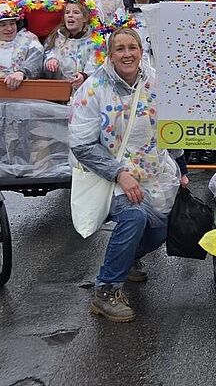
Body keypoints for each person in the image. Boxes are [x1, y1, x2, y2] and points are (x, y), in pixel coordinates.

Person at [69, 27, 185, 323]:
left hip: (155, 173)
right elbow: (81, 144)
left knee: (161, 228)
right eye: (119, 49)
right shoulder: (94, 88)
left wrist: (181, 169)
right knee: (134, 215)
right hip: (110, 177)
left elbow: (171, 128)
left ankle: (127, 256)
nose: (127, 54)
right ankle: (106, 289)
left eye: (132, 47)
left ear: (140, 51)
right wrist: (119, 173)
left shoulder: (154, 82)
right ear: (110, 55)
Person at [44, 0, 105, 91]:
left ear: (85, 18)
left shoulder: (95, 40)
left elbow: (97, 63)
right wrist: (50, 59)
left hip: (86, 91)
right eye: (67, 12)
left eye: (76, 12)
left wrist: (84, 76)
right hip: (60, 90)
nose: (70, 15)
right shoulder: (56, 37)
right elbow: (47, 51)